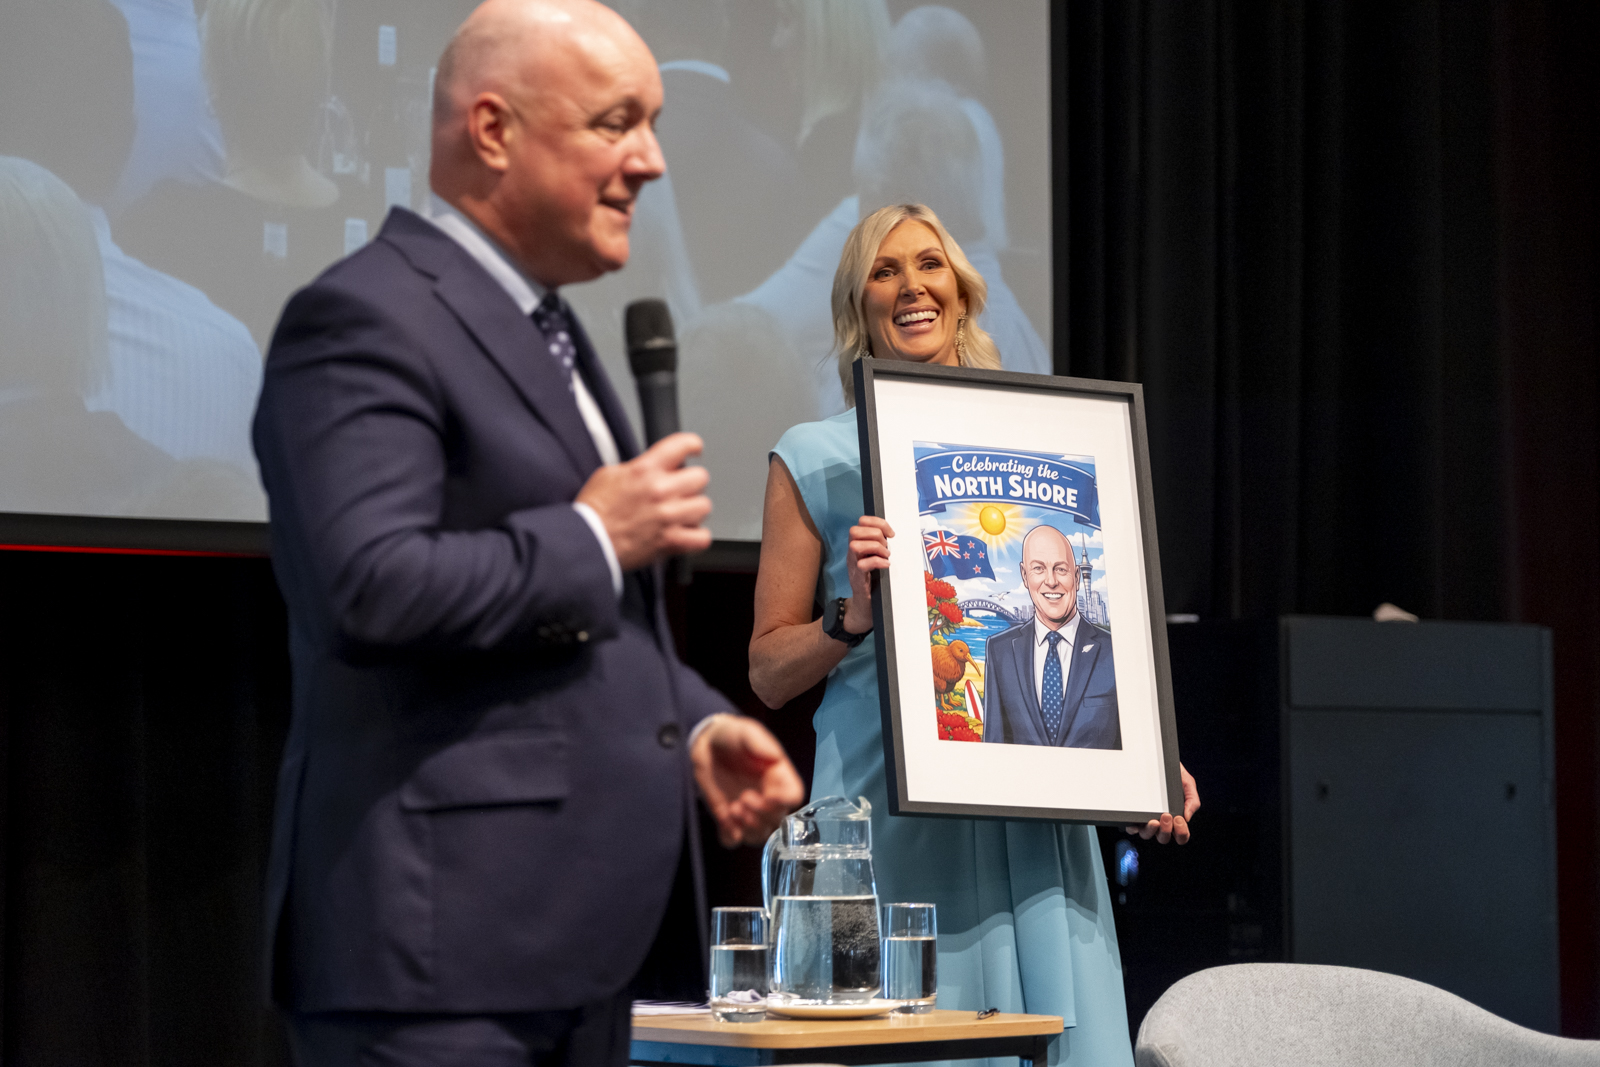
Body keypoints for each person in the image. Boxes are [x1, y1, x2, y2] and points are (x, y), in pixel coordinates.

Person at [252, 2, 804, 1064]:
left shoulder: (545, 327)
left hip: (571, 954)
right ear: (494, 130)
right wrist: (594, 533)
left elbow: (584, 624)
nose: (651, 161)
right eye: (615, 122)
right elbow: (366, 584)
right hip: (436, 963)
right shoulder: (364, 316)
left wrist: (692, 722)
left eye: (652, 124)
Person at [750, 202, 1199, 1067]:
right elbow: (768, 670)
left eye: (929, 265)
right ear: (857, 303)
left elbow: (1089, 616)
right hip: (888, 811)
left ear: (961, 291)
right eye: (884, 271)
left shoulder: (1050, 440)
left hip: (1037, 815)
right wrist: (849, 620)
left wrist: (1140, 755)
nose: (910, 286)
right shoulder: (812, 453)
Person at [983, 524, 1121, 749]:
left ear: (1077, 576)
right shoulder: (1000, 651)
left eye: (1061, 569)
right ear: (1024, 575)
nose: (1051, 581)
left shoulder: (1115, 650)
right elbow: (993, 746)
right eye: (1038, 568)